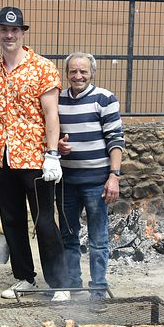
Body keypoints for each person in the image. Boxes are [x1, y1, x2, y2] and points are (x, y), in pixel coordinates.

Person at [0, 7, 69, 301]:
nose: (9, 35)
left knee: (45, 221)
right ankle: (24, 277)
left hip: (35, 159)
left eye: (15, 30)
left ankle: (59, 283)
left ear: (23, 33)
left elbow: (51, 113)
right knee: (12, 220)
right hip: (3, 157)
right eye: (4, 31)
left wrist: (53, 153)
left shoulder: (42, 67)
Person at [57, 53, 125, 300]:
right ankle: (73, 284)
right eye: (73, 71)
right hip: (65, 182)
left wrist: (114, 176)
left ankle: (98, 288)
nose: (78, 76)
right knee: (68, 235)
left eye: (83, 72)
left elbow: (115, 139)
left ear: (92, 73)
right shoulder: (58, 99)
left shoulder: (104, 99)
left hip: (97, 182)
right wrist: (57, 144)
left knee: (98, 238)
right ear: (66, 73)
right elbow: (51, 133)